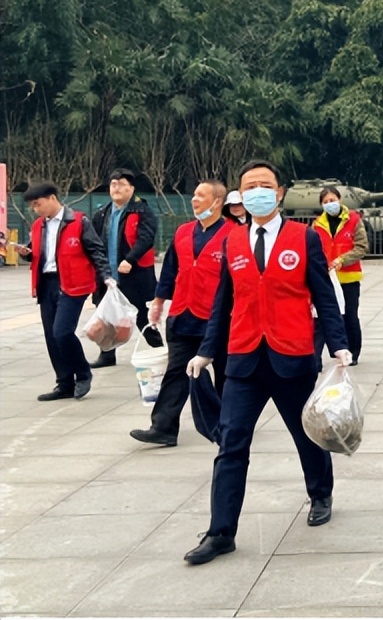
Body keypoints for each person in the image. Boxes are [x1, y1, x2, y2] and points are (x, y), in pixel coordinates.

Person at [181, 159, 350, 566]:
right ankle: (221, 531)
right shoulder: (231, 241)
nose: (257, 191)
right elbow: (223, 301)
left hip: (291, 355)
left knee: (306, 434)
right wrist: (206, 350)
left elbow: (324, 296)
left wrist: (339, 345)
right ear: (241, 196)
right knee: (231, 442)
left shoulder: (303, 238)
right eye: (249, 186)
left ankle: (320, 493)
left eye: (265, 185)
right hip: (242, 360)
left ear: (278, 193)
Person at [132, 180, 233, 447]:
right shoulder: (183, 232)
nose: (194, 199)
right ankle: (163, 427)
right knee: (176, 373)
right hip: (183, 314)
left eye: (201, 195)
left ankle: (229, 423)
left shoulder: (234, 234)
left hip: (218, 317)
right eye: (194, 195)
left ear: (217, 201)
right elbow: (169, 271)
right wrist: (157, 302)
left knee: (225, 372)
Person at [18, 182, 115, 401]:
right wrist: (26, 253)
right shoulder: (38, 226)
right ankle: (64, 383)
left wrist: (107, 276)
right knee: (51, 337)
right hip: (46, 283)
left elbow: (95, 249)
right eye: (33, 206)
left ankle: (82, 374)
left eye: (38, 204)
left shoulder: (79, 221)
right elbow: (36, 251)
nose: (36, 209)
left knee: (62, 331)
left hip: (73, 284)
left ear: (52, 198)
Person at [88, 168, 162, 368]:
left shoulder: (141, 210)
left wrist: (130, 259)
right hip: (108, 275)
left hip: (135, 275)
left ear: (131, 188)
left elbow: (146, 237)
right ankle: (107, 355)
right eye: (113, 184)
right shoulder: (102, 213)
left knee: (141, 316)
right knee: (107, 316)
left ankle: (159, 349)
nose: (117, 188)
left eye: (121, 184)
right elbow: (92, 242)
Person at [312, 186, 368, 365]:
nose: (330, 204)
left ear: (339, 200)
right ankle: (320, 356)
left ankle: (353, 351)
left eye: (332, 200)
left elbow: (361, 247)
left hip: (348, 277)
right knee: (322, 318)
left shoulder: (353, 219)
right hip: (326, 278)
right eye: (326, 202)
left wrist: (343, 259)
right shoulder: (317, 224)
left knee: (350, 316)